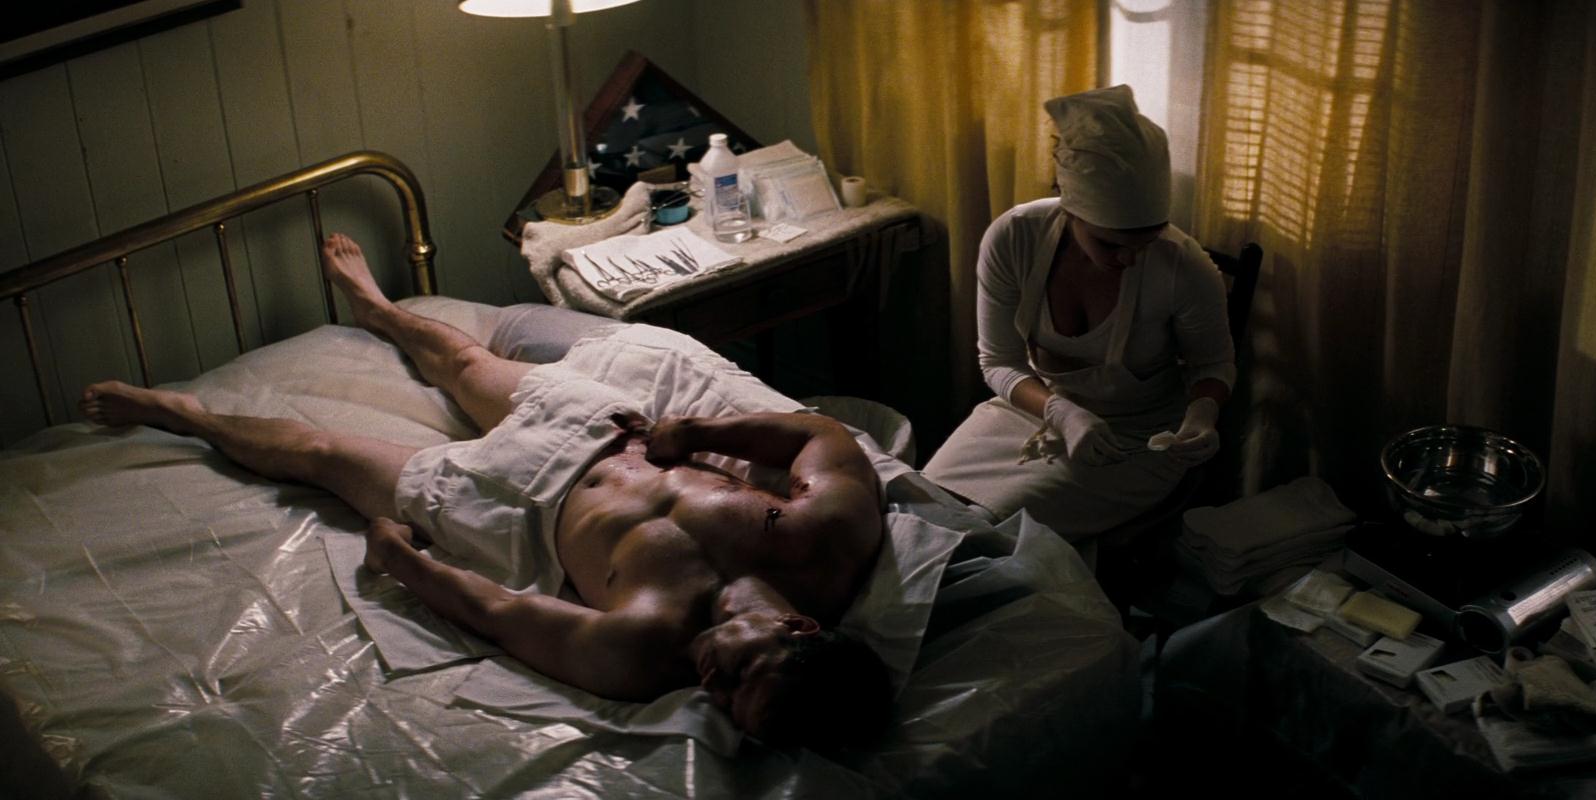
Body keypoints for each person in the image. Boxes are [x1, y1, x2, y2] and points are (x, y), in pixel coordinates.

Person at [77, 233, 893, 749]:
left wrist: (404, 563)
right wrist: (703, 434)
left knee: (325, 454)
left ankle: (177, 412)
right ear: (797, 627)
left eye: (726, 706)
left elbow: (501, 613)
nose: (711, 687)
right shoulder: (827, 540)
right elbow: (822, 437)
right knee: (467, 363)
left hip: (511, 509)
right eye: (744, 677)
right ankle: (380, 310)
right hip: (607, 434)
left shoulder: (643, 653)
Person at [923, 84, 1235, 540]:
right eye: (1110, 244)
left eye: (1145, 242)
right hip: (1029, 410)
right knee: (923, 503)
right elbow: (999, 361)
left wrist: (1202, 413)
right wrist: (1062, 413)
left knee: (987, 532)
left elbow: (1213, 362)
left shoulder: (1183, 267)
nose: (1129, 258)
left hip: (1136, 438)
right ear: (1070, 209)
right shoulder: (1015, 238)